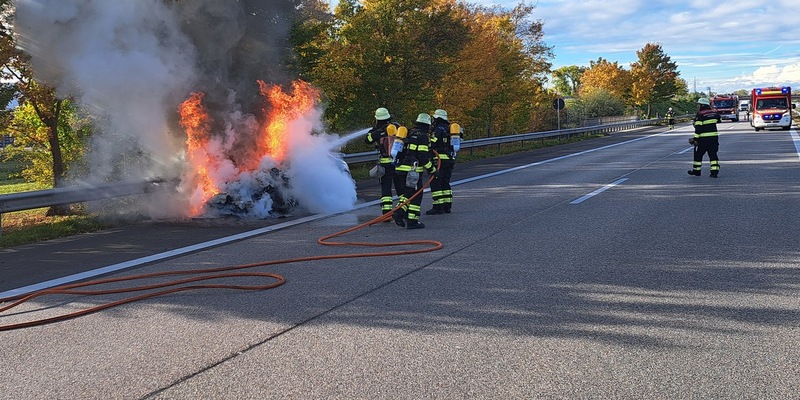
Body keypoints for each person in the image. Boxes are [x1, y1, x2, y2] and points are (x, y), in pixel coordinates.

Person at [393, 113, 438, 229]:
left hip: (400, 168)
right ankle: (412, 221)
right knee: (417, 195)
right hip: (412, 170)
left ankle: (399, 211)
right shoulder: (422, 136)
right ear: (427, 125)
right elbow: (422, 157)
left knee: (407, 193)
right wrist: (432, 169)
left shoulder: (408, 132)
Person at [364, 107, 403, 217]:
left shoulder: (376, 131)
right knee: (400, 187)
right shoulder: (397, 126)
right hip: (398, 162)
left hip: (385, 164)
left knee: (386, 189)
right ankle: (403, 209)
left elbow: (368, 140)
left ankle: (387, 214)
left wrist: (378, 132)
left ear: (377, 119)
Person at [426, 109, 461, 215]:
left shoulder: (438, 129)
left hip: (439, 160)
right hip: (450, 159)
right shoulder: (449, 128)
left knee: (436, 182)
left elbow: (432, 143)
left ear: (437, 118)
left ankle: (438, 207)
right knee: (445, 182)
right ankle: (447, 206)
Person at [688, 98, 720, 178]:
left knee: (698, 155)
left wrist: (695, 139)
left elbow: (698, 129)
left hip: (703, 140)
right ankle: (714, 172)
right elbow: (719, 119)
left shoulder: (700, 115)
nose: (698, 107)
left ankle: (697, 171)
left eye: (699, 105)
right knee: (713, 155)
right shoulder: (714, 114)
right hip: (713, 139)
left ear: (702, 105)